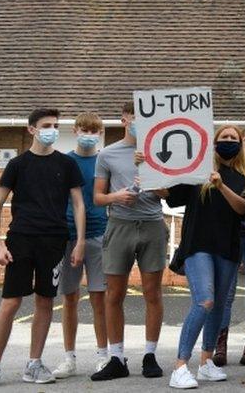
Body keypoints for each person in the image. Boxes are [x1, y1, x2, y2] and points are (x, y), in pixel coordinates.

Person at [0, 108, 86, 389]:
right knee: (10, 302)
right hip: (21, 239)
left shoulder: (66, 164)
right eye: (47, 125)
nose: (52, 129)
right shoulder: (18, 164)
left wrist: (80, 241)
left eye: (56, 125)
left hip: (54, 240)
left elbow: (78, 204)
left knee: (45, 301)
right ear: (32, 130)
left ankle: (33, 364)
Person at [165, 126, 245, 389]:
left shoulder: (244, 177)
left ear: (240, 145)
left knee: (218, 307)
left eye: (233, 139)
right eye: (223, 138)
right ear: (214, 143)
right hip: (197, 246)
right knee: (204, 300)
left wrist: (220, 185)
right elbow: (169, 196)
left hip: (227, 248)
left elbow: (243, 209)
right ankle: (180, 366)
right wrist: (148, 172)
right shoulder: (196, 172)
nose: (228, 141)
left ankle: (206, 362)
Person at [91, 102, 167, 381]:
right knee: (114, 293)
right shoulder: (107, 154)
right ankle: (116, 357)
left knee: (152, 292)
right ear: (124, 119)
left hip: (152, 224)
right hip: (119, 224)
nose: (140, 122)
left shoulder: (160, 149)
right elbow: (98, 197)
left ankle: (150, 355)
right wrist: (116, 197)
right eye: (135, 117)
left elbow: (167, 192)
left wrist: (149, 170)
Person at [55, 112, 110, 379]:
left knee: (99, 298)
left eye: (94, 131)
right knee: (70, 298)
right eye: (84, 129)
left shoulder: (104, 160)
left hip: (100, 234)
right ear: (75, 130)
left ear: (100, 134)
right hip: (68, 235)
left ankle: (103, 355)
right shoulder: (65, 161)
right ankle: (69, 358)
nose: (88, 134)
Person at [212, 129, 245, 368]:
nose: (243, 146)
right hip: (231, 237)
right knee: (225, 295)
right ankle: (220, 346)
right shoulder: (228, 172)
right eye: (240, 142)